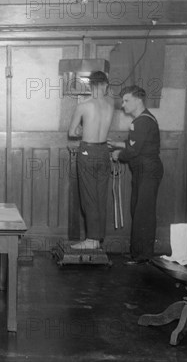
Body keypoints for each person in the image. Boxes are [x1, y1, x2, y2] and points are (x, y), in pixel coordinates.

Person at [109, 85, 163, 265]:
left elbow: (133, 151)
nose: (123, 105)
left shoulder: (141, 121)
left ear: (138, 100)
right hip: (143, 170)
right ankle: (137, 253)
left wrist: (118, 154)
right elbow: (138, 144)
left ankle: (143, 256)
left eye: (126, 101)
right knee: (137, 210)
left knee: (143, 213)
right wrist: (117, 143)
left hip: (147, 169)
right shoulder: (143, 119)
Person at [68, 71, 114, 250]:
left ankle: (91, 239)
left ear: (90, 85)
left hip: (88, 151)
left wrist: (82, 129)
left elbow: (72, 132)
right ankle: (97, 239)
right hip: (104, 151)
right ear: (106, 85)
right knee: (100, 197)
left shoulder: (84, 105)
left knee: (89, 197)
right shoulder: (110, 106)